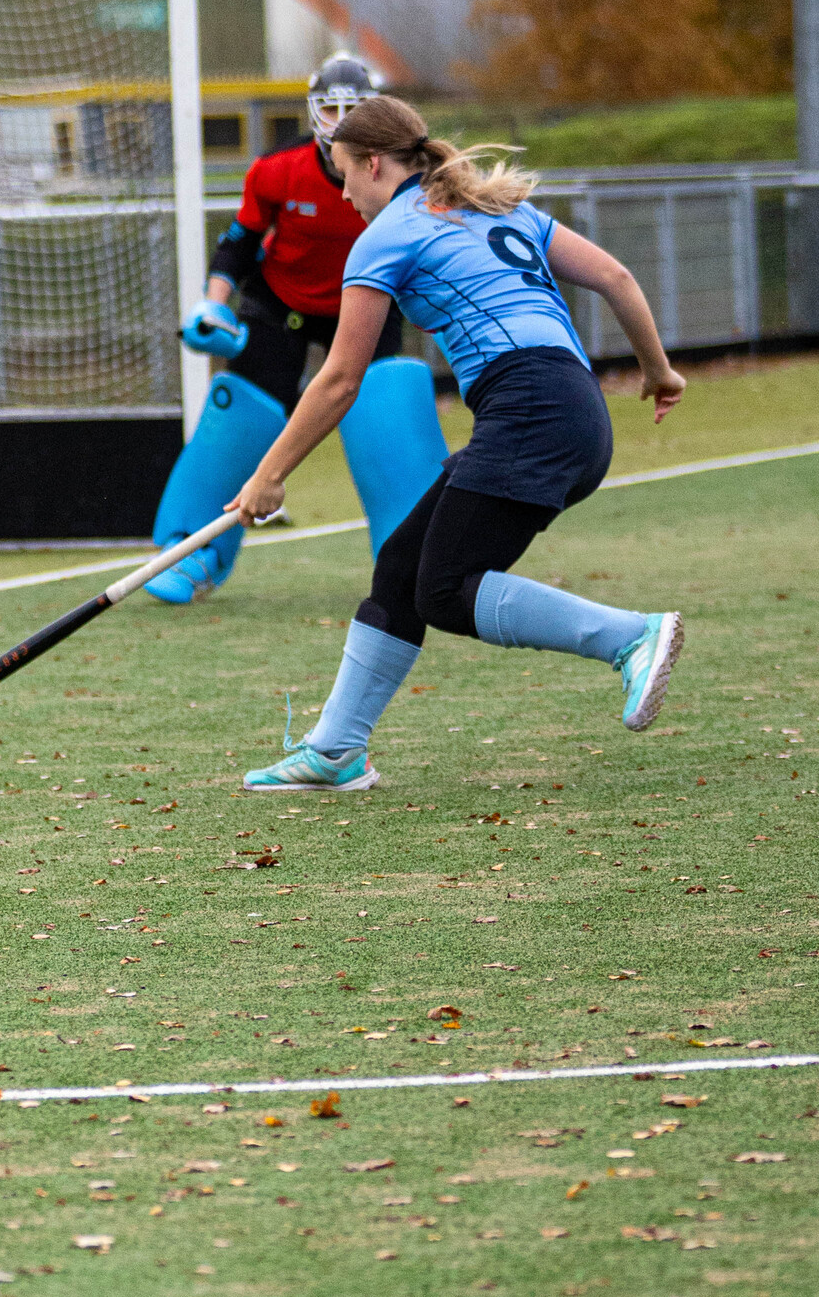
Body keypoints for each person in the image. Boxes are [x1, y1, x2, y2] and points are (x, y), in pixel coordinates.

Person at [223, 95, 687, 791]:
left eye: (344, 172)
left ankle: (628, 636)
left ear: (373, 163)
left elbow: (340, 378)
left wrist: (270, 474)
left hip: (531, 411)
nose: (342, 192)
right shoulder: (505, 210)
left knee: (443, 591)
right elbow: (615, 277)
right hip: (571, 408)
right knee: (403, 568)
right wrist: (658, 370)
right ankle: (336, 749)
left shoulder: (385, 237)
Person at [145, 54, 446, 601]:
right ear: (312, 113)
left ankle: (418, 561)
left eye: (352, 110)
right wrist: (213, 305)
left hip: (367, 307)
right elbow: (237, 243)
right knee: (242, 411)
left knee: (387, 408)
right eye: (329, 109)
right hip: (279, 305)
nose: (338, 122)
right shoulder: (276, 170)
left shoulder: (413, 182)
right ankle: (192, 549)